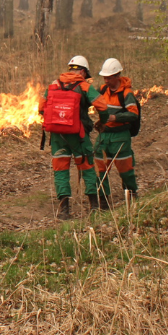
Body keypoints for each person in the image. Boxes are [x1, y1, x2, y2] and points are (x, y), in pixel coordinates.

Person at [39, 56, 103, 220]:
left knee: (60, 171)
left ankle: (64, 210)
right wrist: (103, 120)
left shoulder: (53, 85)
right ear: (82, 71)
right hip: (78, 136)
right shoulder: (84, 86)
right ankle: (94, 207)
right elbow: (103, 106)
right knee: (87, 167)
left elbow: (41, 108)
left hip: (57, 137)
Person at [93, 58, 140, 209]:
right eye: (104, 77)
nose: (106, 80)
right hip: (104, 135)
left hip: (121, 136)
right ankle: (104, 203)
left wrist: (115, 117)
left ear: (117, 75)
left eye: (109, 77)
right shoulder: (102, 90)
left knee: (126, 170)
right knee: (99, 169)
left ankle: (131, 195)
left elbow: (134, 115)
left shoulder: (127, 94)